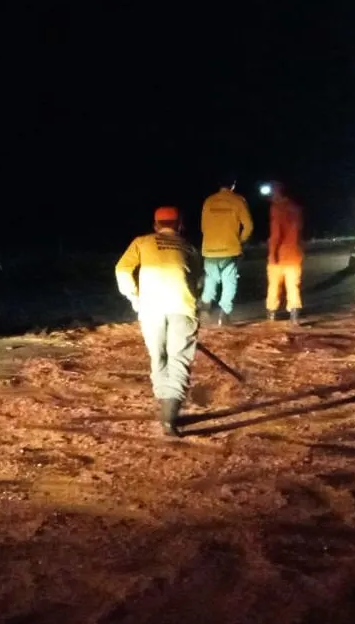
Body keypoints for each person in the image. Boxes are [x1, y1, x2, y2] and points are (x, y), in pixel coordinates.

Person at [115, 206, 203, 437]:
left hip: (151, 308)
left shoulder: (142, 242)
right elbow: (197, 280)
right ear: (180, 224)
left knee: (158, 356)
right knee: (179, 360)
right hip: (182, 308)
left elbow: (122, 269)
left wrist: (133, 294)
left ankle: (165, 403)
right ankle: (169, 415)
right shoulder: (189, 247)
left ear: (155, 225)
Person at [199, 182, 253, 326]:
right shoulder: (238, 200)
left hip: (209, 249)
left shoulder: (209, 201)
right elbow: (249, 226)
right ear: (233, 185)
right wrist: (240, 241)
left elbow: (203, 226)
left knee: (211, 279)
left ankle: (205, 308)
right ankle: (224, 315)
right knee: (229, 281)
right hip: (230, 249)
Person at [264, 181, 304, 323]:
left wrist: (272, 254)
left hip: (279, 256)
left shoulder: (276, 208)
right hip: (294, 255)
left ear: (277, 193)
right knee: (293, 286)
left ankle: (271, 314)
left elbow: (276, 234)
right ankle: (294, 316)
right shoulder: (296, 209)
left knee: (274, 286)